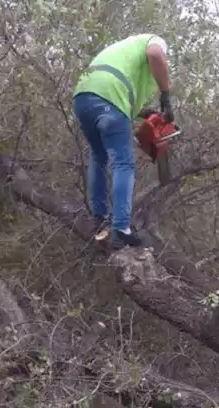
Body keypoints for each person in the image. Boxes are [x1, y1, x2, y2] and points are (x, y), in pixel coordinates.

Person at [72, 34, 174, 250]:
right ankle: (121, 228)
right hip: (110, 94)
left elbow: (114, 95)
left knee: (98, 157)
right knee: (123, 162)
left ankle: (99, 220)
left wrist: (144, 112)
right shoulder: (154, 41)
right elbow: (155, 54)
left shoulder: (124, 49)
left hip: (82, 95)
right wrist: (166, 95)